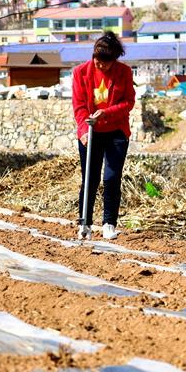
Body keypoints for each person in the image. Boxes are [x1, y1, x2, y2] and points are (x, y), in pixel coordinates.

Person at [72, 31, 135, 240]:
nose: (101, 67)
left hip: (116, 131)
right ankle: (85, 223)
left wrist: (106, 113)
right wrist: (83, 130)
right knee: (89, 178)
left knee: (111, 177)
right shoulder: (80, 72)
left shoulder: (124, 73)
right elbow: (79, 105)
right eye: (98, 62)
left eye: (105, 64)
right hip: (91, 132)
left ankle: (109, 223)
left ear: (114, 61)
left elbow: (128, 103)